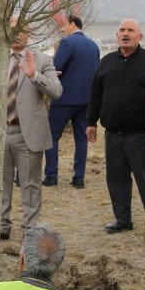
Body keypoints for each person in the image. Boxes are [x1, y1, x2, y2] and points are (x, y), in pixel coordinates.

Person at [0, 22, 62, 240]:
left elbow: (57, 91)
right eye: (13, 30)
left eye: (22, 30)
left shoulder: (42, 60)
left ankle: (29, 229)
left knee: (30, 183)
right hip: (1, 132)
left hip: (27, 132)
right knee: (1, 182)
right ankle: (3, 226)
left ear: (29, 33)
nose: (17, 35)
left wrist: (34, 76)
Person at [87, 19, 145, 236]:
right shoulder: (106, 61)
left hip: (141, 135)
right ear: (117, 35)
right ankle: (122, 219)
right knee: (117, 179)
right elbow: (95, 94)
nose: (125, 34)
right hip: (113, 135)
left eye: (131, 30)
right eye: (122, 30)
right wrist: (91, 122)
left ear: (140, 37)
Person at [44, 15, 100, 189]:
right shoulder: (94, 46)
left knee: (52, 136)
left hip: (64, 99)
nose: (63, 29)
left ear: (72, 24)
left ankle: (51, 176)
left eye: (64, 26)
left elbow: (56, 68)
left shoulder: (67, 43)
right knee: (81, 139)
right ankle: (79, 178)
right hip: (86, 100)